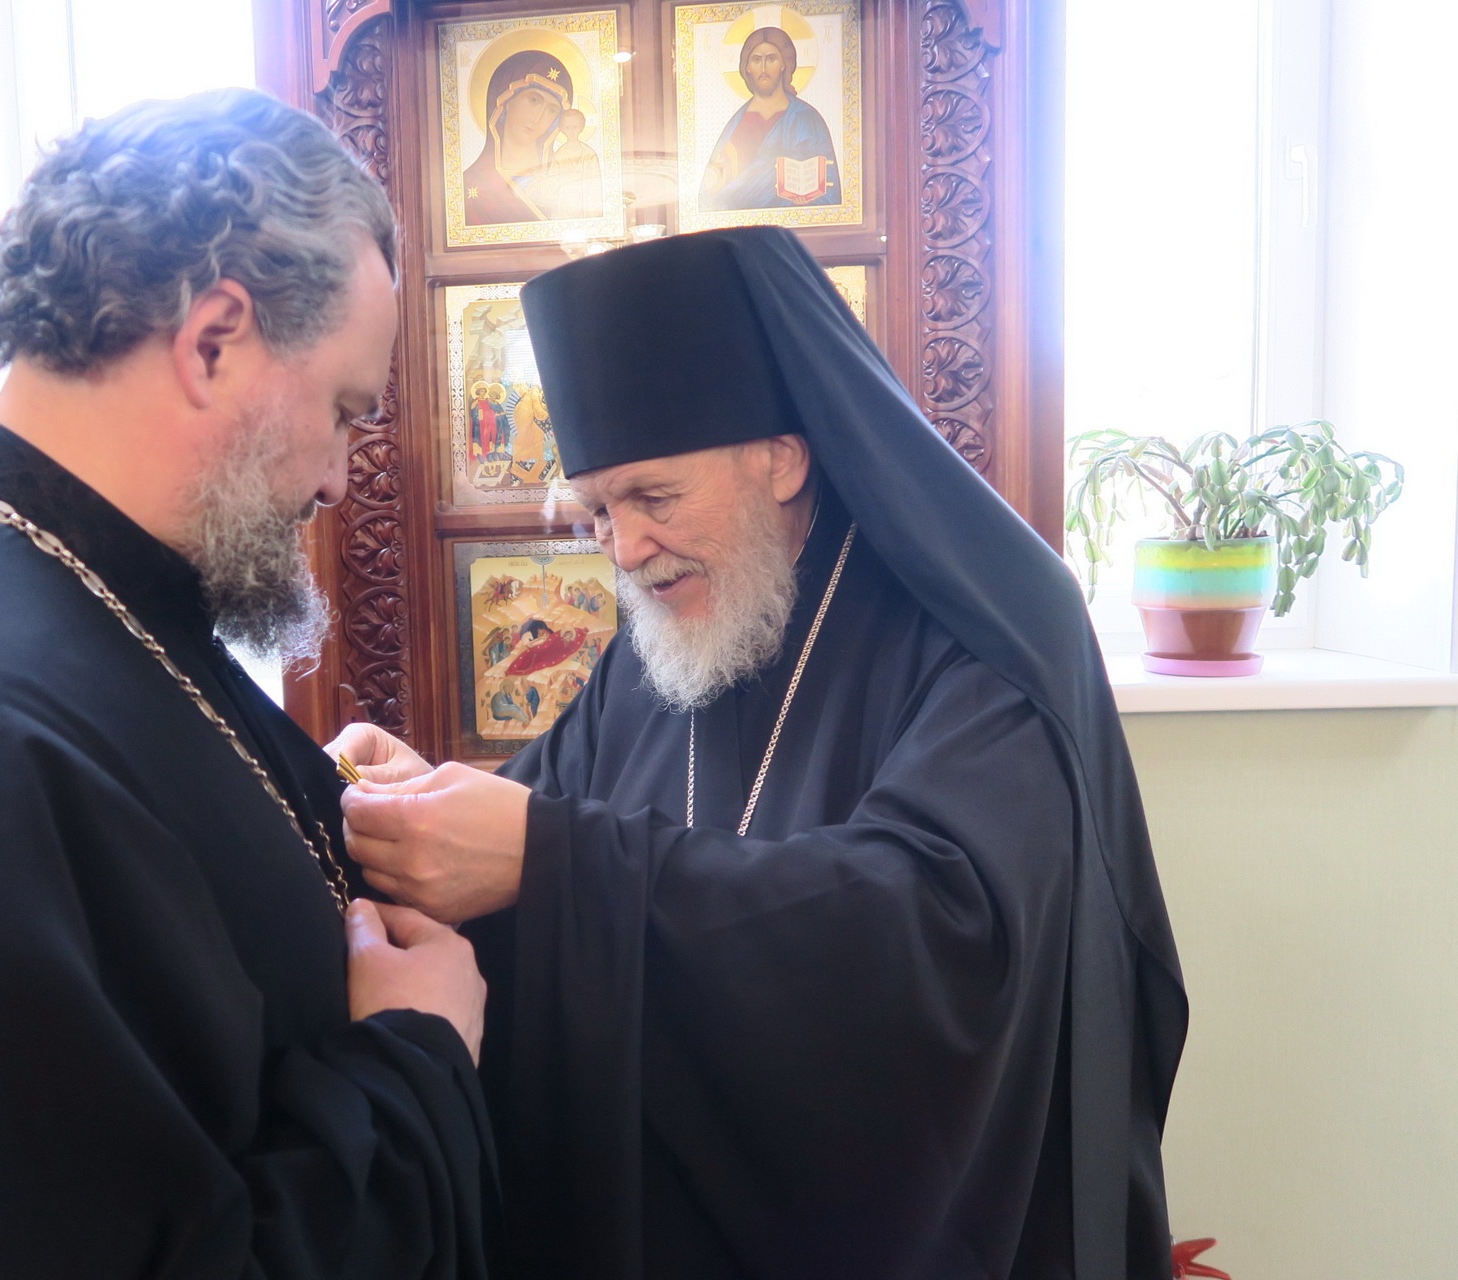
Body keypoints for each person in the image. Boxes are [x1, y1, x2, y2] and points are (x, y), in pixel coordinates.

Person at [0, 91, 493, 1279]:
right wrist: (414, 1052)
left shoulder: (105, 607)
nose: (341, 476)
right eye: (345, 410)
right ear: (215, 338)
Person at [333, 227, 1187, 1278]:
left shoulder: (977, 632)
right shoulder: (671, 637)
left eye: (654, 497)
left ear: (781, 456)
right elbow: (546, 815)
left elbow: (941, 929)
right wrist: (422, 802)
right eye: (597, 511)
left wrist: (554, 860)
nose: (625, 549)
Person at [700, 26, 841, 211]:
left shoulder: (806, 118)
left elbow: (829, 190)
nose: (763, 68)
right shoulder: (736, 123)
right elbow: (711, 191)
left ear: (784, 65)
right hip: (737, 226)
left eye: (771, 59)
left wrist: (809, 201)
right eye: (756, 60)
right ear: (747, 67)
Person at [463, 49, 603, 225]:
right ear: (506, 100)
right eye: (534, 100)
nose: (538, 118)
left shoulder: (563, 168)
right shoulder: (471, 184)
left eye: (552, 110)